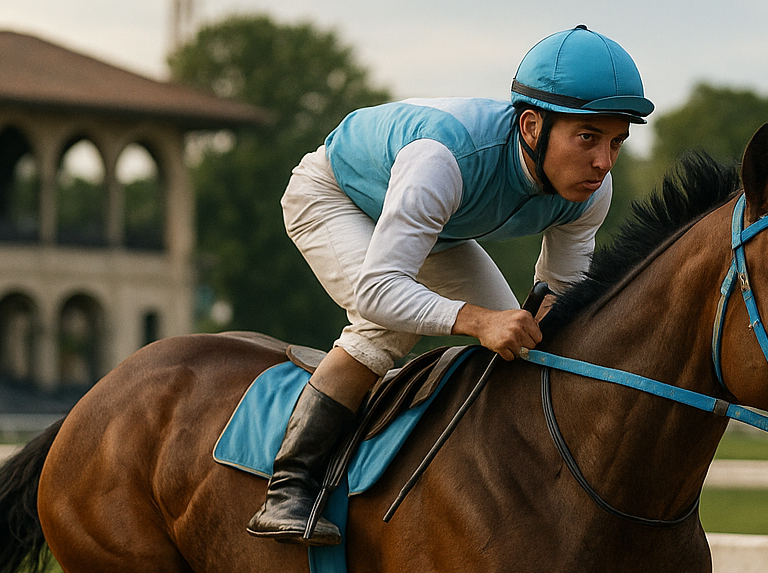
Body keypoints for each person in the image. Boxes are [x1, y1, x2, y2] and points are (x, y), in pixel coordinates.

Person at [248, 25, 653, 545]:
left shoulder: (590, 191)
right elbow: (378, 289)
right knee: (383, 328)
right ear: (532, 126)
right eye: (588, 138)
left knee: (523, 347)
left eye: (616, 141)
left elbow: (560, 295)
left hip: (433, 229)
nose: (603, 162)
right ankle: (288, 488)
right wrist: (478, 320)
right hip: (334, 198)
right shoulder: (443, 159)